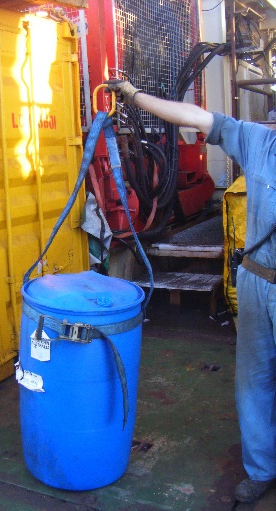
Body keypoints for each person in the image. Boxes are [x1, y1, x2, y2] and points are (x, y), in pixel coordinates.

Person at [105, 79, 276, 504]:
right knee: (254, 382)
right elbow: (194, 116)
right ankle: (262, 467)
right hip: (257, 280)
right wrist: (133, 96)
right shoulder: (258, 142)